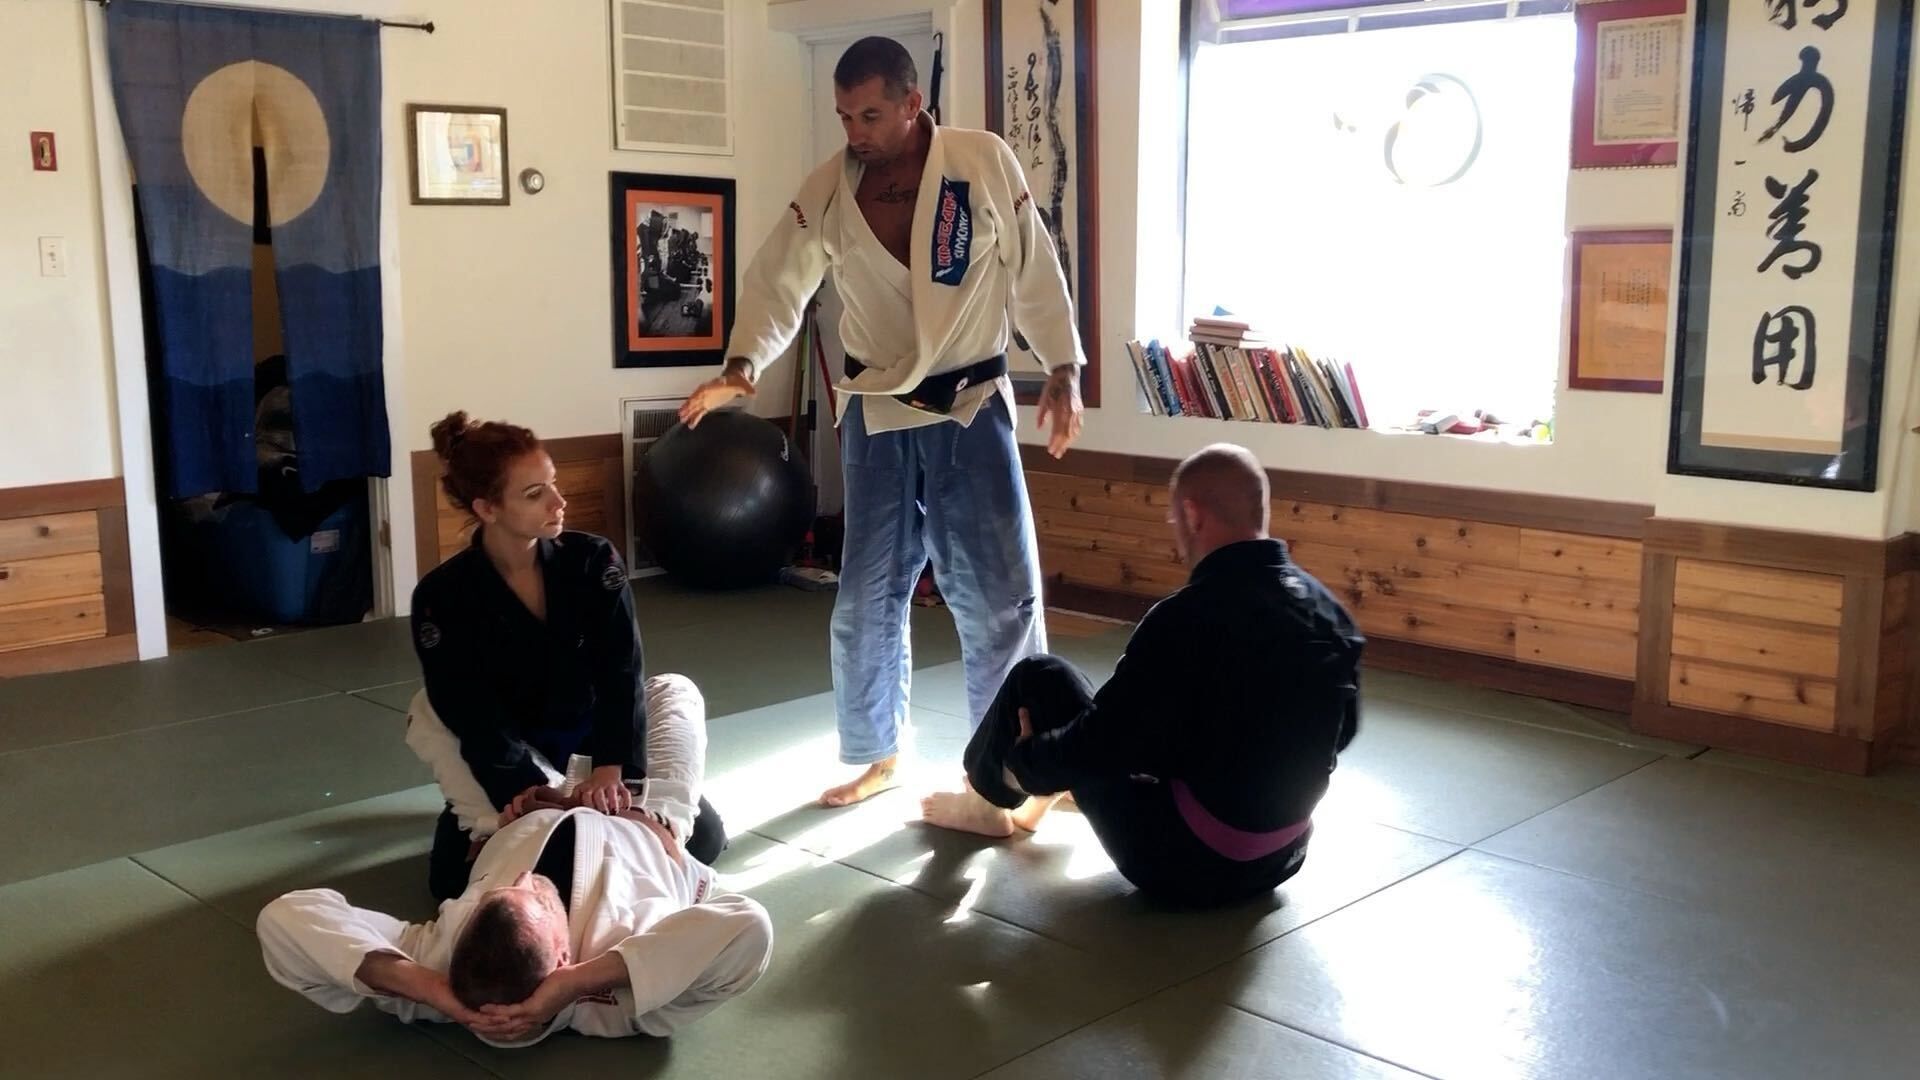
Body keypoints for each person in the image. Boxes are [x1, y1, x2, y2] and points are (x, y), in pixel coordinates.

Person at [678, 36, 1087, 811]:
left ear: (911, 102)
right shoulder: (830, 188)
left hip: (968, 403)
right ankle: (877, 751)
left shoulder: (981, 162)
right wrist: (742, 366)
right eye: (843, 116)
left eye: (870, 113)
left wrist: (1063, 365)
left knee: (1000, 594)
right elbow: (778, 277)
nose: (855, 131)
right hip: (877, 408)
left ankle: (1022, 759)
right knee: (866, 595)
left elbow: (1036, 264)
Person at [924, 444, 1365, 908]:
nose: (1177, 533)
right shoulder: (1329, 611)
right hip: (1282, 858)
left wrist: (1027, 760)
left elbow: (1104, 742)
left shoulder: (1185, 618)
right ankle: (1039, 791)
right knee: (1179, 729)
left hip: (1184, 869)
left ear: (1193, 515)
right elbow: (1341, 733)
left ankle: (987, 795)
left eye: (1175, 520)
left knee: (1040, 677)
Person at [256, 687, 773, 1046]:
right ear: (564, 955)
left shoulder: (442, 967)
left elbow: (285, 917)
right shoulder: (627, 1005)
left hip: (517, 809)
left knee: (433, 707)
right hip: (646, 809)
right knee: (672, 690)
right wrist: (575, 984)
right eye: (539, 896)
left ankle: (557, 741)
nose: (527, 876)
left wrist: (437, 991)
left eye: (503, 890)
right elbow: (748, 927)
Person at [406, 411, 727, 901]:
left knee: (704, 831)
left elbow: (623, 671)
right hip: (516, 750)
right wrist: (532, 791)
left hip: (595, 734)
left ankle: (635, 819)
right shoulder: (442, 596)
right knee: (451, 881)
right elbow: (471, 714)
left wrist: (611, 768)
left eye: (553, 484)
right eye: (535, 494)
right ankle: (535, 822)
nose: (559, 501)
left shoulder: (593, 561)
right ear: (487, 508)